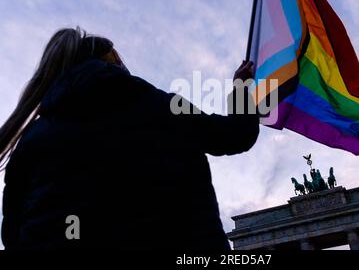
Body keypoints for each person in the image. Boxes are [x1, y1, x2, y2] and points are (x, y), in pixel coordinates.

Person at [0, 27, 259, 250]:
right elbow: (236, 135)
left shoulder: (31, 141)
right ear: (112, 61)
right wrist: (241, 87)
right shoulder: (162, 106)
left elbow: (12, 235)